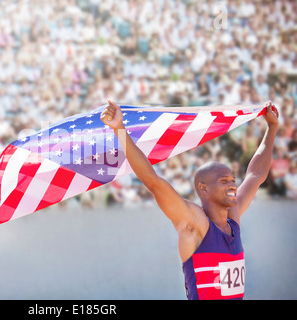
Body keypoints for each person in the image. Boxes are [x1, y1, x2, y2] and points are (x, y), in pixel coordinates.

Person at [100, 100, 279, 300]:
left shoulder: (232, 220)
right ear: (203, 188)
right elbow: (153, 182)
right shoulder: (195, 224)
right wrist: (120, 130)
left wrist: (272, 127)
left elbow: (256, 175)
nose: (232, 186)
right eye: (224, 181)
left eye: (232, 180)